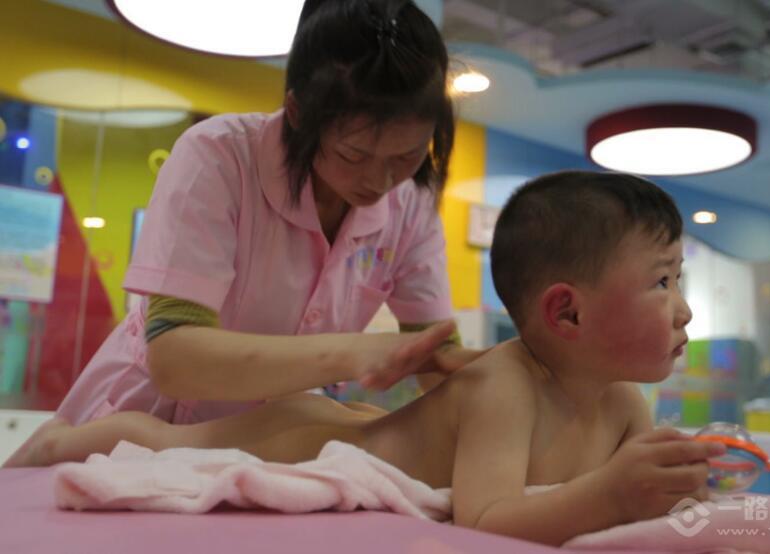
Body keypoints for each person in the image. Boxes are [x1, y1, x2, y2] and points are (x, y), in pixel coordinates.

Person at [7, 171, 725, 546]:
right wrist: (613, 493)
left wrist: (685, 486)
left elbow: (656, 508)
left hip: (362, 426)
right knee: (168, 445)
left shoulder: (622, 403)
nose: (683, 309)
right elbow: (485, 522)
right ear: (566, 312)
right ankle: (65, 438)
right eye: (662, 282)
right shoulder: (506, 385)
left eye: (677, 279)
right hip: (306, 439)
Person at [56, 0, 483, 426]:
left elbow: (438, 357)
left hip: (250, 438)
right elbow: (174, 357)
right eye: (353, 154)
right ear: (298, 113)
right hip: (134, 418)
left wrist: (504, 372)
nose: (381, 180)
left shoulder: (412, 205)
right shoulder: (219, 157)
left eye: (407, 156)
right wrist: (353, 353)